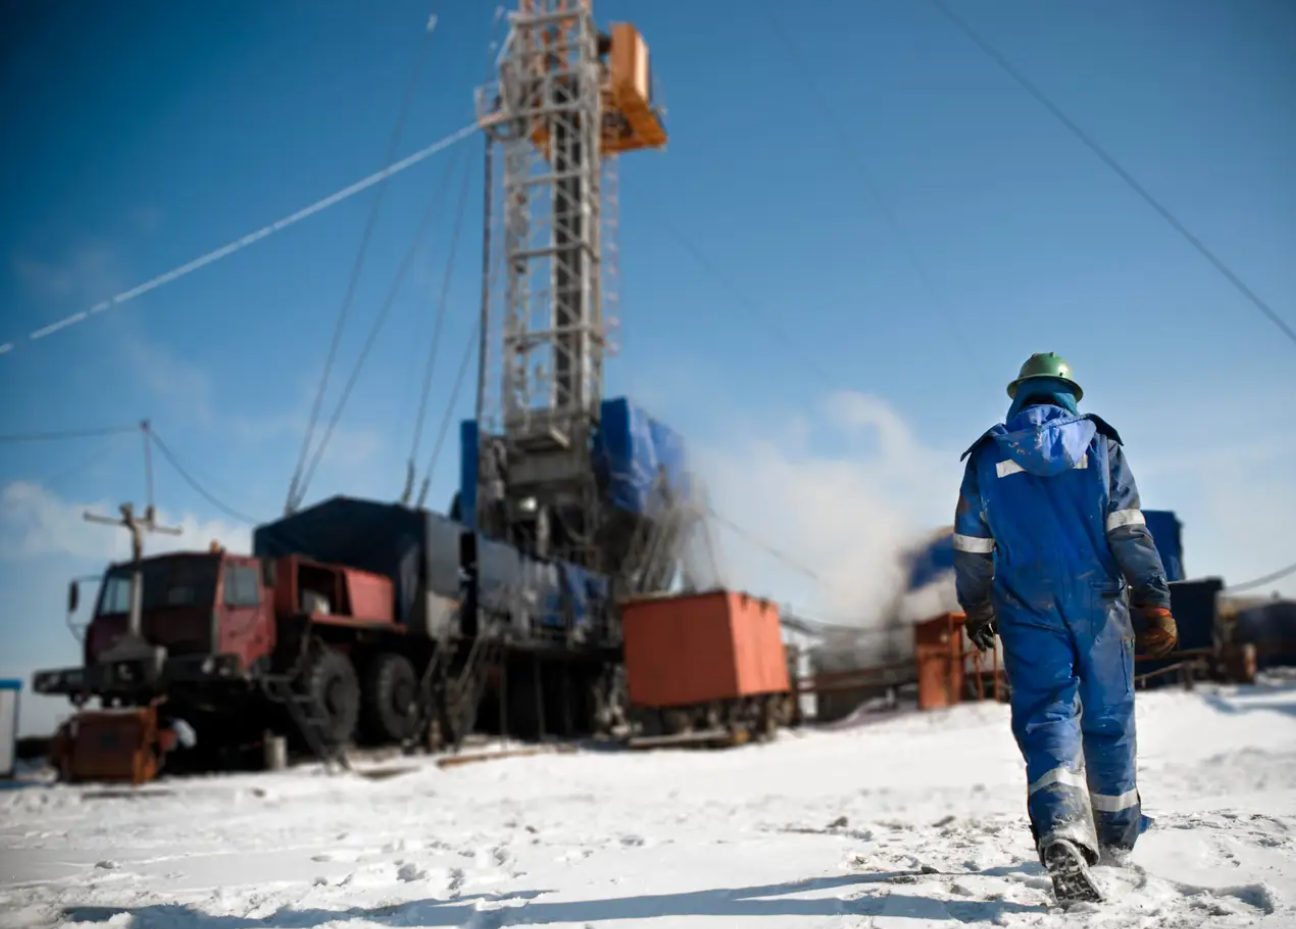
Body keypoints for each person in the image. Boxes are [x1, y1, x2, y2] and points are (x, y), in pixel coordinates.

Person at [951, 352, 1178, 905]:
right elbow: (1128, 531)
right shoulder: (1100, 447)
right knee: (1108, 717)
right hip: (1097, 601)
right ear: (1069, 395)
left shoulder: (988, 455)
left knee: (1047, 714)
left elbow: (972, 546)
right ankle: (1116, 837)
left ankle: (1062, 829)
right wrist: (1154, 600)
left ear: (1020, 395)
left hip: (1025, 603)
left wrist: (976, 606)